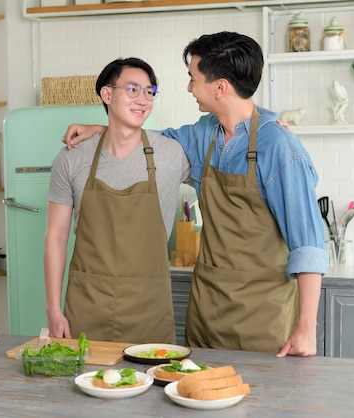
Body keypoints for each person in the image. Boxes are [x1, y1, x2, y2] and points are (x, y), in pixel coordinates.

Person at [62, 32, 327, 357]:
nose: (189, 87)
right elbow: (152, 140)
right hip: (206, 309)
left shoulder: (280, 148)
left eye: (193, 78)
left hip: (263, 314)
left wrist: (306, 328)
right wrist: (100, 129)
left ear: (220, 87)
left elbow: (309, 245)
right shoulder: (205, 135)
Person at [44, 57, 190, 344]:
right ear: (107, 94)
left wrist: (271, 126)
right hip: (87, 306)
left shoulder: (171, 154)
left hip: (150, 309)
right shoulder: (72, 158)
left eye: (150, 91)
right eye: (133, 89)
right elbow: (56, 238)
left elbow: (223, 140)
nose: (143, 99)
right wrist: (52, 309)